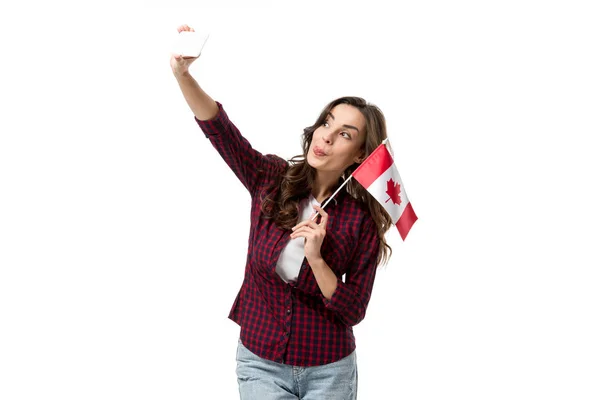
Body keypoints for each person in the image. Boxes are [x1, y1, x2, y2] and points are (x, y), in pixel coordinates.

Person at [171, 24, 393, 400]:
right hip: (260, 360)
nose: (325, 135)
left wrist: (317, 259)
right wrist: (183, 74)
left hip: (330, 369)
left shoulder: (361, 220)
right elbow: (220, 130)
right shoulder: (271, 178)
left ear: (359, 155)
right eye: (327, 122)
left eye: (344, 133)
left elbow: (353, 310)